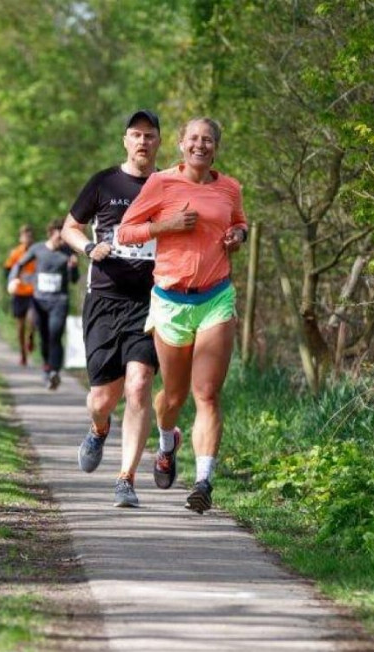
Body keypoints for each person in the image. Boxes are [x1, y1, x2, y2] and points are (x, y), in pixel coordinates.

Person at [116, 117, 248, 514]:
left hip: (215, 297)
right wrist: (167, 225)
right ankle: (166, 439)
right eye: (193, 139)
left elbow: (239, 223)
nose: (200, 146)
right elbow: (125, 232)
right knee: (171, 398)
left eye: (208, 140)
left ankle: (204, 481)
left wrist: (238, 236)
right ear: (180, 145)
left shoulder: (230, 188)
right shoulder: (161, 184)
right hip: (172, 302)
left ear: (216, 148)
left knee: (206, 393)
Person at [60, 109, 162, 508]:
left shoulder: (167, 183)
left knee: (138, 385)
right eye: (135, 135)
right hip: (103, 298)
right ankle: (99, 429)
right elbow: (71, 226)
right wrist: (88, 247)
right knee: (103, 398)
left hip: (150, 301)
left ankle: (126, 479)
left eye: (149, 135)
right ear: (125, 140)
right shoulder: (104, 182)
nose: (142, 141)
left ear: (158, 142)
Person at [8, 218, 78, 390]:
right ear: (50, 234)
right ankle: (47, 368)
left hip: (59, 301)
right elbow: (19, 264)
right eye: (59, 237)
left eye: (64, 238)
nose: (62, 241)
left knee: (55, 335)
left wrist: (73, 268)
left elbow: (74, 280)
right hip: (39, 301)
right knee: (44, 337)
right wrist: (13, 279)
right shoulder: (37, 249)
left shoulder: (68, 252)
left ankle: (54, 371)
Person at [3, 225, 39, 366]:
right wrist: (13, 279)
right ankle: (22, 354)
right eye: (25, 236)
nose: (28, 239)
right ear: (21, 238)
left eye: (30, 237)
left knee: (32, 320)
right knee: (20, 327)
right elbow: (6, 270)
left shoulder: (37, 252)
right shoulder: (16, 253)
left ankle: (31, 338)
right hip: (19, 293)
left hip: (33, 293)